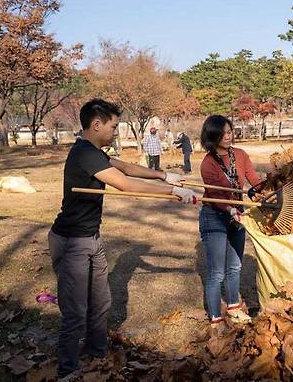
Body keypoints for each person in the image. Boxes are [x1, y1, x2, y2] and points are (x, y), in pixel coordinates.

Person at [48, 99, 197, 378]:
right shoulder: (84, 153)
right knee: (76, 311)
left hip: (91, 238)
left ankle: (97, 355)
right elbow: (125, 184)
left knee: (102, 302)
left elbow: (128, 168)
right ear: (96, 125)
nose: (116, 131)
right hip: (71, 242)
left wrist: (165, 175)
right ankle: (67, 371)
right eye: (114, 126)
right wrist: (171, 193)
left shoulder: (95, 152)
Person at [199, 115, 263, 328]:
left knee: (235, 266)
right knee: (217, 272)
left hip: (237, 216)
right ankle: (216, 318)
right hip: (215, 217)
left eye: (229, 132)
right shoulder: (208, 163)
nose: (228, 136)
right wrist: (231, 209)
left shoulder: (241, 155)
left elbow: (254, 180)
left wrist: (264, 190)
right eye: (223, 133)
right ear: (212, 136)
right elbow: (217, 196)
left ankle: (234, 307)